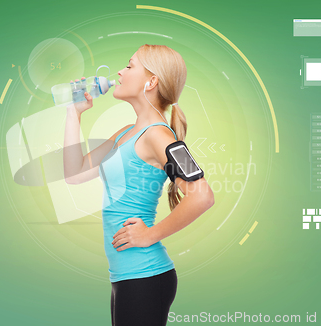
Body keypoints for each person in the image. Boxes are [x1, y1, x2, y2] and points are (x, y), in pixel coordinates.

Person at [63, 44, 214, 326]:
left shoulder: (158, 136)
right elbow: (75, 173)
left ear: (152, 81)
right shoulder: (125, 133)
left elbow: (202, 196)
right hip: (125, 276)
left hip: (145, 276)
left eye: (130, 66)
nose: (120, 72)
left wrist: (150, 235)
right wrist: (75, 113)